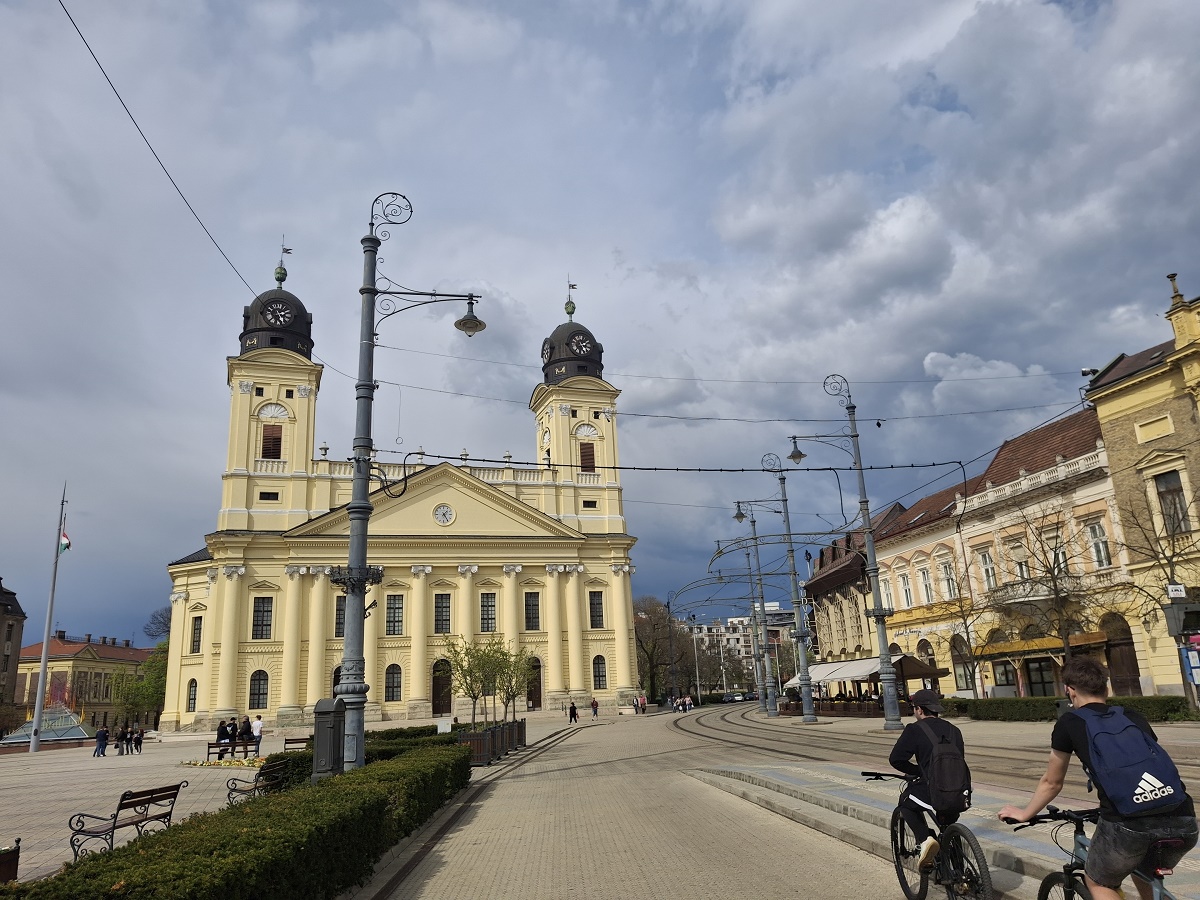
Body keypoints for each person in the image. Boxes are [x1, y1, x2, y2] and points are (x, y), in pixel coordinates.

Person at [999, 656, 1197, 900]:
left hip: (1128, 823)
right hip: (1183, 819)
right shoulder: (1131, 715)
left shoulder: (1069, 722)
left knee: (1099, 880)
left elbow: (1052, 783)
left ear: (1069, 691)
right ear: (1107, 687)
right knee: (1143, 869)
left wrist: (1024, 813)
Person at [888, 688, 966, 870]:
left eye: (914, 708)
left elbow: (896, 759)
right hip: (960, 792)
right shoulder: (954, 730)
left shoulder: (914, 730)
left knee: (905, 802)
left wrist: (917, 771)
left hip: (932, 790)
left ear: (920, 710)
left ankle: (925, 839)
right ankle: (961, 875)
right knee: (948, 825)